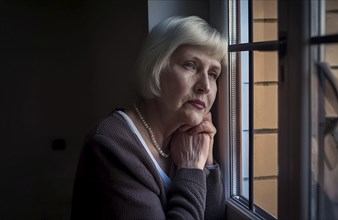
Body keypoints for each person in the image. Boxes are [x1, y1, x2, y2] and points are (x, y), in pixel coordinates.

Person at [70, 15, 227, 220]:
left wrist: (206, 164)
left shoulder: (188, 141)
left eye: (213, 73)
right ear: (156, 67)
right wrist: (191, 170)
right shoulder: (110, 145)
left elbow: (213, 217)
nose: (205, 86)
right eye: (190, 65)